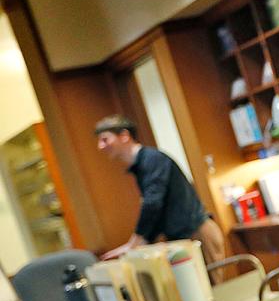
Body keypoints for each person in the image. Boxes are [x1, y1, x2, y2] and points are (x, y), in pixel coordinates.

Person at [95, 115, 225, 272]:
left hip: (197, 234)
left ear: (124, 136)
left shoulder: (152, 159)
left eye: (105, 139)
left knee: (209, 293)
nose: (100, 146)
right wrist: (140, 243)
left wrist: (135, 242)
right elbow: (157, 209)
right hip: (184, 239)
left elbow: (152, 203)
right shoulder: (142, 165)